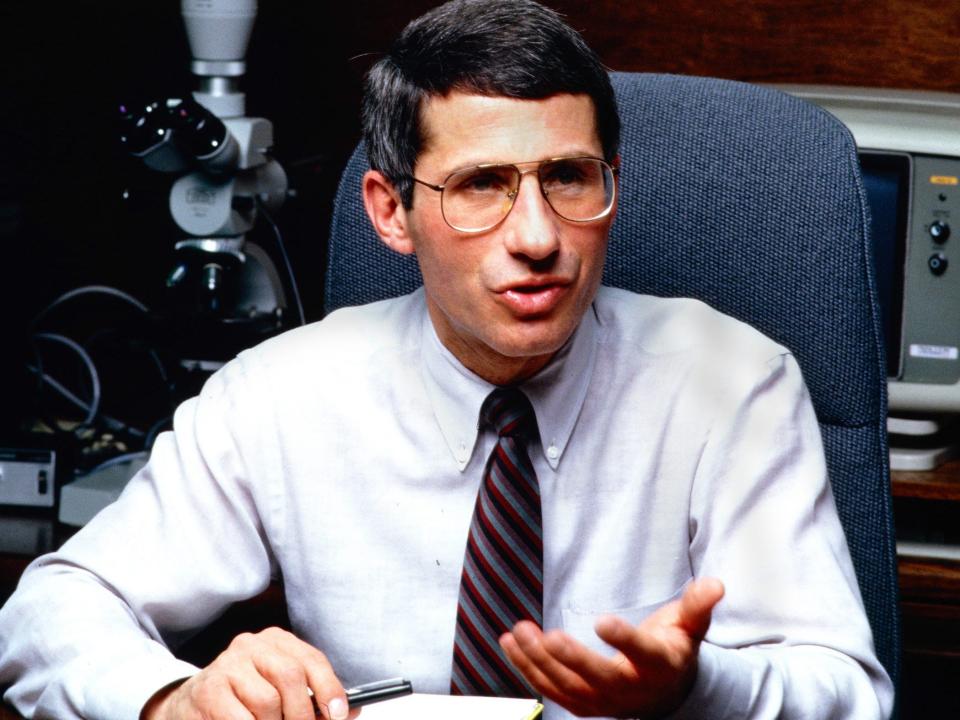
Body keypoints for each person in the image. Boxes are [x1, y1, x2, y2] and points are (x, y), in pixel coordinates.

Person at [0, 1, 893, 718]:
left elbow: (850, 691)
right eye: (482, 187)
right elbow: (49, 611)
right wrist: (172, 696)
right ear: (390, 212)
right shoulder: (279, 397)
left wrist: (695, 689)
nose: (539, 237)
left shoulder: (733, 381)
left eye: (570, 177)